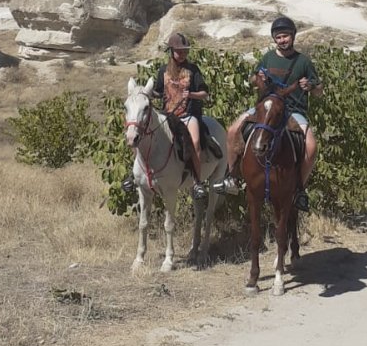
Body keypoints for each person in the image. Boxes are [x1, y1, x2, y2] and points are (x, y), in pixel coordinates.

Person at [216, 15, 323, 211]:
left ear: (293, 36)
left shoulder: (303, 61)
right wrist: (258, 78)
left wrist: (309, 87)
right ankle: (231, 177)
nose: (282, 40)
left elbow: (319, 91)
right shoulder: (267, 57)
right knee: (232, 131)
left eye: (286, 36)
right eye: (279, 37)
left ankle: (300, 188)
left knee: (311, 146)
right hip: (265, 108)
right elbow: (252, 79)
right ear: (274, 39)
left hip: (292, 110)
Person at [122, 32, 211, 200]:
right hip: (168, 116)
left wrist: (190, 94)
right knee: (141, 137)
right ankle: (134, 176)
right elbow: (157, 91)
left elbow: (204, 93)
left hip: (188, 115)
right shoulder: (164, 70)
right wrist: (145, 94)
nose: (183, 54)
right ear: (171, 51)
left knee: (195, 141)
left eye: (185, 51)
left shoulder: (193, 70)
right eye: (179, 51)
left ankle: (198, 182)